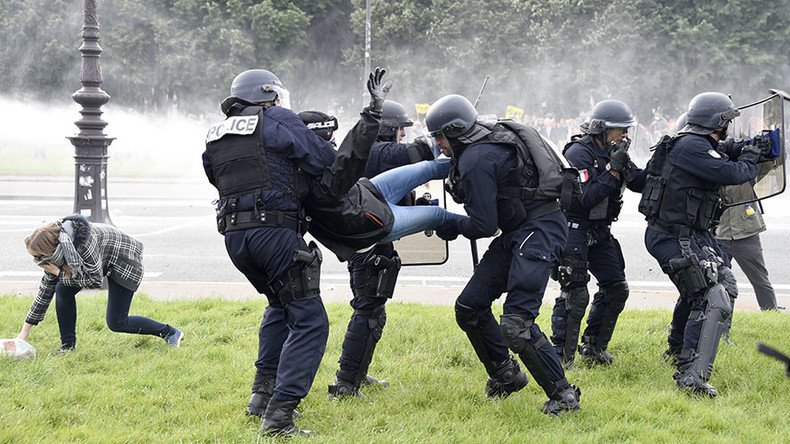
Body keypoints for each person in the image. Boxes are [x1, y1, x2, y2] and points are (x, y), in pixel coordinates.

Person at [202, 67, 342, 436]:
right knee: (310, 319)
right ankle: (280, 416)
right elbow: (324, 162)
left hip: (235, 238)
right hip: (274, 232)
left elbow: (215, 176)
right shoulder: (277, 118)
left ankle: (260, 395)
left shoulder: (216, 133)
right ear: (269, 95)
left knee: (279, 305)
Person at [426, 94, 581, 415]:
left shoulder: (476, 159)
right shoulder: (480, 144)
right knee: (469, 307)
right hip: (520, 229)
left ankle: (564, 395)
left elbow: (483, 224)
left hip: (540, 229)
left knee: (517, 322)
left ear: (455, 131)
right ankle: (505, 375)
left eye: (439, 136)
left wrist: (447, 223)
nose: (438, 143)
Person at [638, 92, 771, 396]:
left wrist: (750, 146)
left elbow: (725, 149)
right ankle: (692, 374)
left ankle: (676, 349)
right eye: (727, 122)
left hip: (690, 233)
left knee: (717, 282)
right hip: (673, 235)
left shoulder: (696, 143)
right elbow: (734, 172)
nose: (728, 129)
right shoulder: (692, 148)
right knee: (709, 293)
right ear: (717, 122)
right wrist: (750, 157)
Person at [319, 99, 437, 398]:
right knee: (368, 310)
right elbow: (415, 152)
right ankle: (346, 383)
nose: (403, 135)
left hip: (367, 240)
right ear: (388, 130)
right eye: (400, 130)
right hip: (368, 243)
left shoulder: (370, 153)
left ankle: (355, 373)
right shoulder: (378, 151)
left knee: (371, 309)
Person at [549, 100, 646, 367]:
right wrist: (613, 170)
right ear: (601, 129)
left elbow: (639, 182)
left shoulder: (615, 151)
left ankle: (593, 347)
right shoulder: (578, 153)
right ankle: (561, 356)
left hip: (600, 231)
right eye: (619, 130)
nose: (624, 135)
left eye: (627, 130)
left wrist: (660, 161)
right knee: (575, 292)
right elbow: (584, 199)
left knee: (616, 288)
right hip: (574, 228)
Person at [15, 215, 182, 351]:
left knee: (117, 322)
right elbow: (44, 293)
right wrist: (23, 334)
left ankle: (170, 332)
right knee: (62, 288)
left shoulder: (83, 243)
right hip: (101, 259)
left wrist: (58, 273)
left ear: (51, 252)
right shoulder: (55, 254)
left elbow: (94, 280)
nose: (37, 261)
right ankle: (67, 347)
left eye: (38, 257)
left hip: (125, 260)